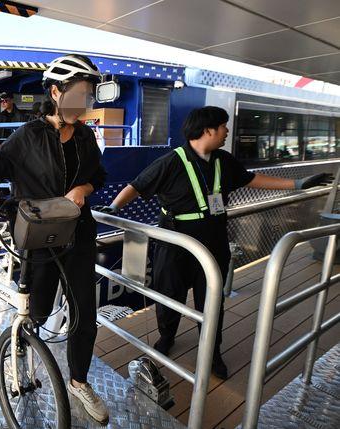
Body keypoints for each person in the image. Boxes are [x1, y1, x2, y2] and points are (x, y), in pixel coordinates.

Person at [104, 106, 330, 379]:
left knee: (212, 300)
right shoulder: (171, 161)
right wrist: (113, 209)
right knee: (169, 295)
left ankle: (212, 352)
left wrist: (298, 184)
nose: (227, 131)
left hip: (213, 243)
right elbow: (137, 186)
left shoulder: (224, 160)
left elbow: (251, 179)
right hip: (175, 244)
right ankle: (167, 337)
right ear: (207, 130)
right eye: (223, 126)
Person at [0, 54, 109, 424]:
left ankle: (79, 381)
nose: (85, 103)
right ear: (56, 93)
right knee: (37, 309)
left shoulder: (85, 136)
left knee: (85, 314)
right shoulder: (28, 136)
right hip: (38, 237)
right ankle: (22, 346)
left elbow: (99, 176)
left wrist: (83, 188)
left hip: (79, 234)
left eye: (89, 96)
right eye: (79, 95)